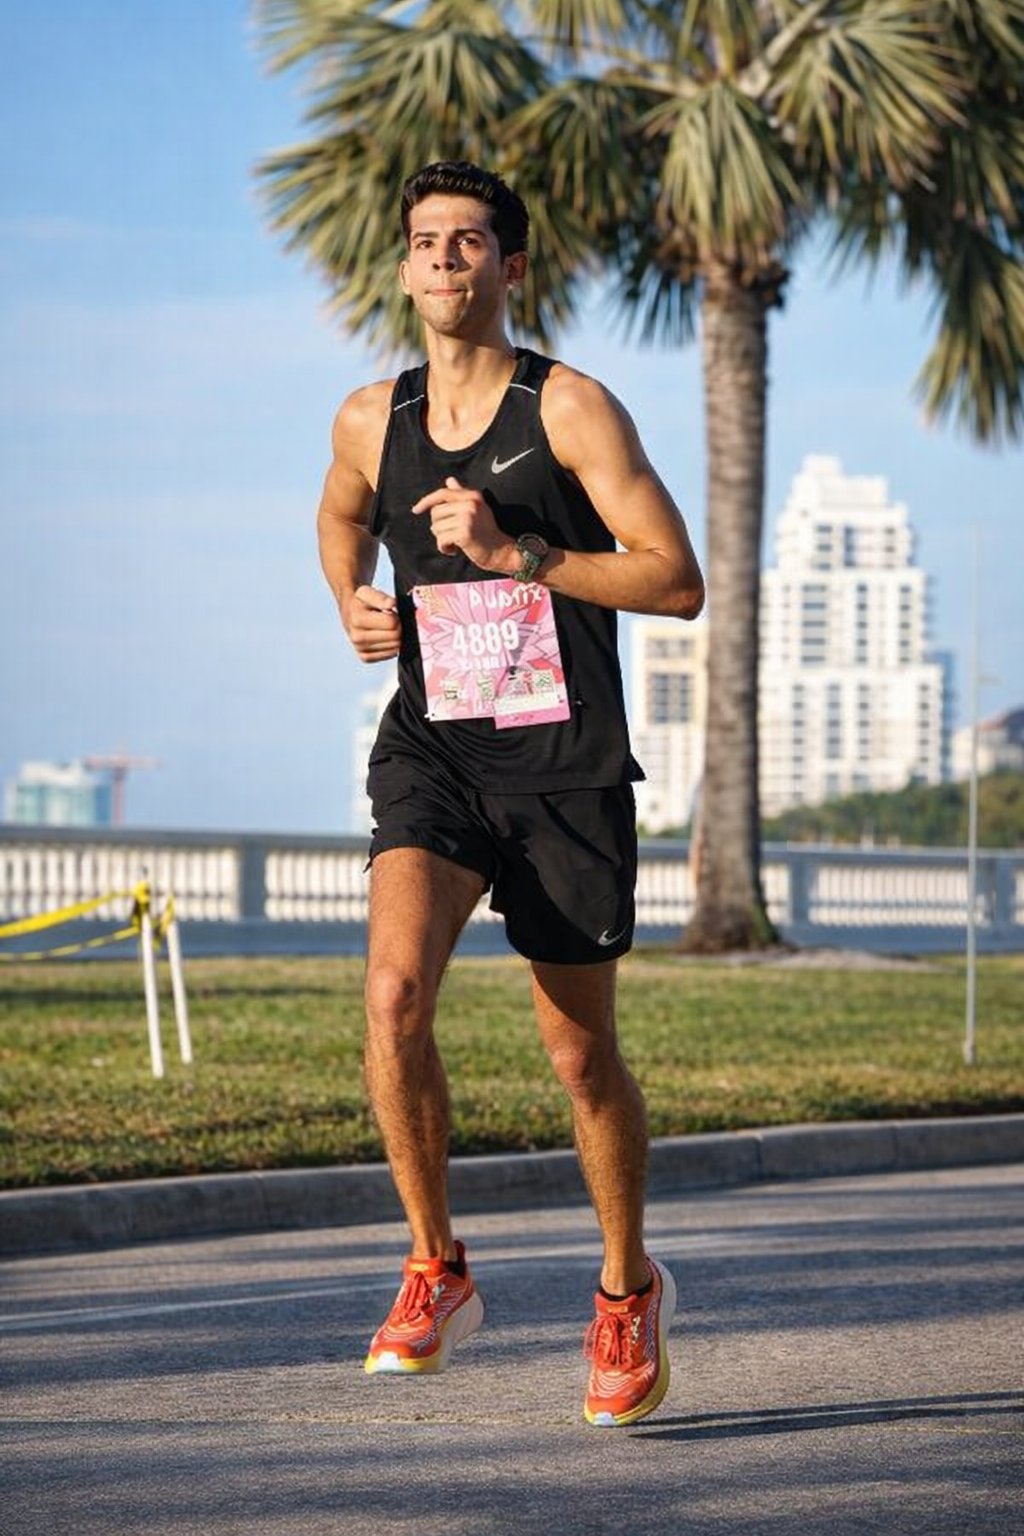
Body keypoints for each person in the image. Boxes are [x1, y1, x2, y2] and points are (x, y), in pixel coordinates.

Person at [317, 160, 704, 1428]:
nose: (444, 258)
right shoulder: (369, 419)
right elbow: (338, 518)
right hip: (434, 748)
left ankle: (625, 1290)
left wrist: (517, 553)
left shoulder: (571, 407)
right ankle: (435, 1265)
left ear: (510, 265)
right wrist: (351, 601)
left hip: (563, 766)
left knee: (579, 1057)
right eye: (424, 240)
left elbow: (674, 579)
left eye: (469, 240)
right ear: (403, 267)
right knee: (392, 995)